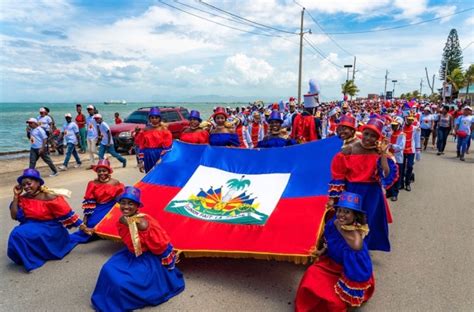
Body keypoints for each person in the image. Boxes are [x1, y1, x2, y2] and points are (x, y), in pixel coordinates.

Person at [91, 186, 185, 311]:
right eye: (123, 203)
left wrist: (168, 260)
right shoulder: (122, 219)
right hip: (130, 254)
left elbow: (160, 243)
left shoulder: (144, 223)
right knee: (107, 269)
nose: (126, 207)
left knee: (122, 282)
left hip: (146, 258)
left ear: (137, 206)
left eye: (130, 203)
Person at [295, 192, 375, 312]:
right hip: (330, 263)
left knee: (335, 303)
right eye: (339, 210)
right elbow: (329, 241)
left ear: (355, 216)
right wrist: (321, 251)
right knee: (311, 274)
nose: (341, 215)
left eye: (347, 212)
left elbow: (357, 270)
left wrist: (348, 290)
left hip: (347, 273)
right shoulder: (334, 223)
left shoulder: (355, 242)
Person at [328, 118, 397, 252]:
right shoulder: (350, 149)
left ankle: (362, 251)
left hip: (372, 193)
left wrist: (383, 154)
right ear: (361, 132)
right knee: (348, 220)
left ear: (378, 138)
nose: (368, 138)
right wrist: (334, 197)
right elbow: (338, 172)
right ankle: (347, 249)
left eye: (373, 135)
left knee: (368, 221)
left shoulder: (379, 151)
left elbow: (386, 173)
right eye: (366, 134)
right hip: (352, 191)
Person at [7, 169, 93, 271]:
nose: (26, 187)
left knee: (18, 233)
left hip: (50, 228)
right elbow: (14, 216)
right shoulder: (23, 198)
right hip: (31, 225)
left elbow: (68, 215)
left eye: (29, 183)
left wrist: (83, 228)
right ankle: (27, 255)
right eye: (23, 185)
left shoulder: (49, 197)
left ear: (38, 182)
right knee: (17, 233)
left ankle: (33, 256)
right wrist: (16, 196)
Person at [70, 159, 124, 243]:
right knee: (92, 224)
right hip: (98, 206)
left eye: (104, 171)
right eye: (99, 171)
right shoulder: (92, 183)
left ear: (108, 171)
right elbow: (89, 201)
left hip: (111, 205)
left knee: (113, 221)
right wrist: (86, 217)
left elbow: (120, 197)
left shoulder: (115, 182)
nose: (102, 173)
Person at [134, 107, 173, 173]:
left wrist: (162, 158)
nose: (154, 119)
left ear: (159, 118)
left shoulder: (165, 131)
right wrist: (141, 161)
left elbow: (168, 148)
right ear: (149, 119)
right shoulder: (145, 131)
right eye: (152, 117)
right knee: (150, 177)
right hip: (147, 157)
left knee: (161, 176)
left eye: (156, 117)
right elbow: (141, 147)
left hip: (159, 156)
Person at [386, 116, 406, 202]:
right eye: (392, 125)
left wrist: (391, 145)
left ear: (400, 125)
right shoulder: (390, 133)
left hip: (398, 158)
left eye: (395, 125)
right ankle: (389, 191)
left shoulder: (402, 135)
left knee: (396, 176)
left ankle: (395, 193)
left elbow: (401, 147)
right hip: (389, 156)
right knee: (389, 174)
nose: (393, 127)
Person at [401, 114, 421, 191]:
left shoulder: (416, 129)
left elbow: (417, 140)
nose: (410, 121)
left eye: (411, 119)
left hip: (411, 150)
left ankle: (408, 183)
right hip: (402, 150)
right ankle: (401, 183)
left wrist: (418, 152)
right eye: (408, 119)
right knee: (402, 167)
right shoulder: (401, 128)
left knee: (410, 166)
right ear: (405, 119)